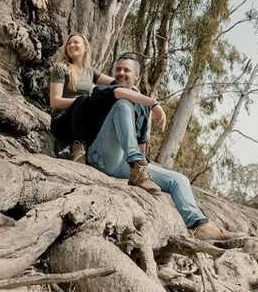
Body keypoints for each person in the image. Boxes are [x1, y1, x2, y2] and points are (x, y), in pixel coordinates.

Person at [86, 53, 239, 241]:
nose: (121, 73)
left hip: (122, 164)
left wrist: (144, 174)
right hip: (99, 155)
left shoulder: (143, 109)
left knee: (179, 179)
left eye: (127, 70)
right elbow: (104, 84)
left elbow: (142, 144)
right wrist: (155, 103)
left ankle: (199, 225)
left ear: (137, 77)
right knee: (123, 105)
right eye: (118, 69)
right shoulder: (105, 90)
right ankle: (138, 166)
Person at [48, 34, 114, 162]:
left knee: (104, 99)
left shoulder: (90, 72)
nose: (71, 45)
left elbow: (114, 84)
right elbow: (55, 101)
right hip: (62, 123)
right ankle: (78, 149)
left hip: (83, 124)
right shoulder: (61, 68)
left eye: (76, 42)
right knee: (84, 99)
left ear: (85, 48)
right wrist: (82, 102)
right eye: (69, 43)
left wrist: (132, 88)